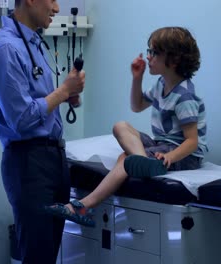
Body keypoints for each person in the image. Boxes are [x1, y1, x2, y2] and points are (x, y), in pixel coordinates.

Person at [46, 26, 207, 227]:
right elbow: (137, 105)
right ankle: (141, 161)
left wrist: (169, 158)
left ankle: (82, 205)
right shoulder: (161, 85)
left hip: (183, 154)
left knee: (125, 160)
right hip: (162, 143)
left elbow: (192, 142)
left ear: (174, 60)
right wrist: (137, 78)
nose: (148, 57)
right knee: (120, 126)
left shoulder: (184, 96)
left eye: (154, 52)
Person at [0, 0, 85, 262]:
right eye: (51, 0)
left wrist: (66, 96)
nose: (56, 8)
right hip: (29, 164)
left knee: (48, 256)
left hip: (54, 160)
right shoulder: (5, 49)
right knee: (37, 257)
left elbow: (39, 104)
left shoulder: (33, 44)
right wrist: (63, 91)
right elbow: (21, 118)